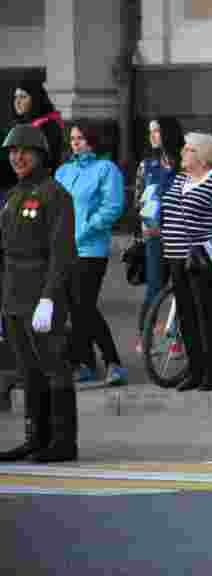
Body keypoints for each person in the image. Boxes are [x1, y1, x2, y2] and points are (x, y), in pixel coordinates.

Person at [0, 125, 77, 463]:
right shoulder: (13, 196)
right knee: (27, 369)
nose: (17, 157)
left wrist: (49, 297)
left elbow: (61, 252)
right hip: (14, 293)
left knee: (53, 366)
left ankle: (63, 440)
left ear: (40, 155)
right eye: (13, 152)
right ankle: (36, 437)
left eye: (25, 151)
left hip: (42, 293)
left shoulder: (54, 194)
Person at [55, 121, 127, 385]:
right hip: (65, 249)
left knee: (84, 306)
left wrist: (85, 229)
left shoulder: (106, 169)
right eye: (73, 138)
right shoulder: (63, 171)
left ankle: (113, 362)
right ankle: (84, 363)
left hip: (91, 249)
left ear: (93, 141)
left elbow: (113, 206)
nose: (76, 143)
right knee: (75, 308)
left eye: (82, 138)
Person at [161, 132, 212, 392]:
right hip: (176, 254)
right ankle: (195, 368)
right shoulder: (180, 179)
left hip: (203, 257)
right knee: (186, 315)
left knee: (207, 314)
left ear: (202, 156)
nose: (183, 153)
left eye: (188, 150)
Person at [134, 117, 184, 355]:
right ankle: (145, 337)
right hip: (154, 234)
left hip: (181, 232)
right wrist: (144, 221)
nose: (153, 135)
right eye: (150, 131)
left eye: (157, 131)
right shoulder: (147, 165)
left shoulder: (183, 162)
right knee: (154, 286)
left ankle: (179, 337)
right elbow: (137, 199)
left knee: (182, 286)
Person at [6, 75, 64, 180]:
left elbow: (48, 163)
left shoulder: (48, 125)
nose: (17, 102)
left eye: (23, 97)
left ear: (35, 99)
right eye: (16, 97)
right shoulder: (21, 124)